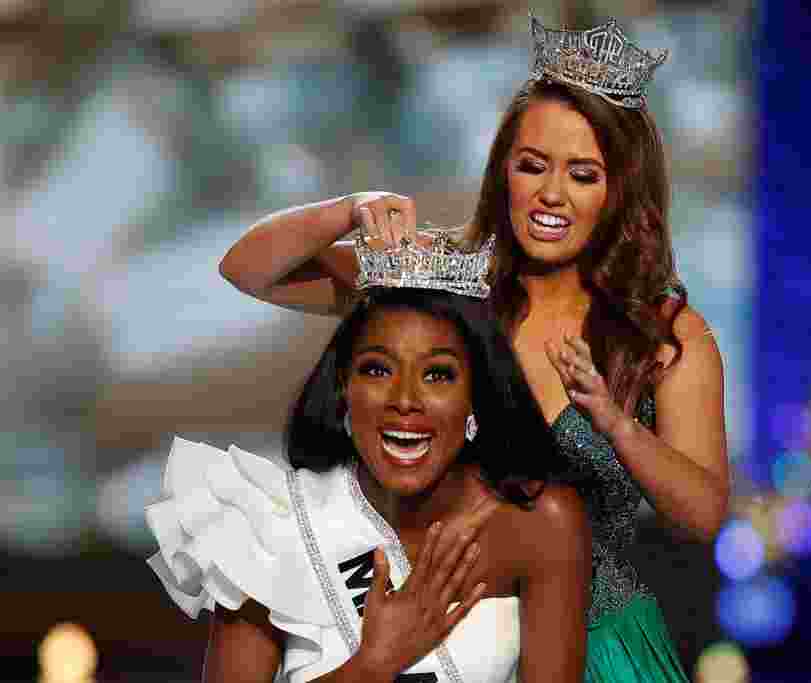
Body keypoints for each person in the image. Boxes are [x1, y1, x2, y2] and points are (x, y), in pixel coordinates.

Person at [218, 15, 729, 682]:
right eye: (532, 165)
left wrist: (616, 424)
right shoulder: (448, 285)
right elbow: (248, 268)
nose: (551, 194)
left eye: (582, 174)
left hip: (602, 649)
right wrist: (351, 208)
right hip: (461, 635)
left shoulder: (662, 332)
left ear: (620, 190)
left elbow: (704, 515)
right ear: (502, 173)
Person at [146, 236, 591, 682]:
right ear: (344, 387)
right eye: (378, 369)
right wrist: (373, 665)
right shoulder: (272, 522)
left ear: (476, 394)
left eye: (438, 374)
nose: (405, 400)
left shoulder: (540, 522)